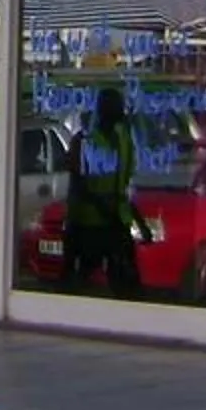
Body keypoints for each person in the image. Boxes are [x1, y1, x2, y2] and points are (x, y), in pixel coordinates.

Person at [63, 87, 144, 297]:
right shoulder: (84, 140)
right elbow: (77, 184)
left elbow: (122, 186)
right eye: (115, 106)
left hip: (117, 221)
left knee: (127, 282)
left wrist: (138, 221)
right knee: (81, 282)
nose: (120, 110)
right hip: (88, 223)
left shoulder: (124, 138)